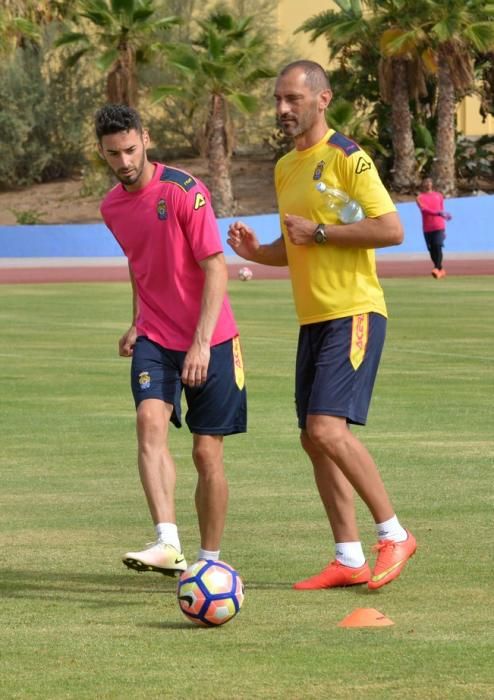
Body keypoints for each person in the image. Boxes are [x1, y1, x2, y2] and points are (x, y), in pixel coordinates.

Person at [228, 60, 416, 591]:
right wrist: (256, 252)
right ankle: (348, 556)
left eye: (293, 99)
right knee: (314, 440)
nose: (283, 109)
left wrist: (323, 234)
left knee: (327, 429)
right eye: (278, 100)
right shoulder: (286, 167)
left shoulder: (347, 158)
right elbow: (296, 247)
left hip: (353, 312)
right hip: (313, 319)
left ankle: (394, 534)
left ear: (322, 99)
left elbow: (392, 228)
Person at [95, 104, 247, 577]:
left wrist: (201, 343)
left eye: (130, 149)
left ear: (147, 138)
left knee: (207, 454)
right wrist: (136, 320)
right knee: (149, 422)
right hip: (156, 338)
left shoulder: (184, 191)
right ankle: (167, 541)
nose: (123, 161)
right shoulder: (111, 207)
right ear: (101, 152)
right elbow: (139, 262)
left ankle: (210, 564)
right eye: (112, 153)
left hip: (213, 337)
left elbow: (215, 266)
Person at [416, 177, 452, 279]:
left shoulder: (439, 196)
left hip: (439, 226)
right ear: (423, 184)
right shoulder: (420, 197)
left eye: (429, 182)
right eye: (425, 182)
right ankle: (440, 269)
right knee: (431, 250)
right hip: (427, 228)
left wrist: (444, 226)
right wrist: (438, 213)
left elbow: (441, 210)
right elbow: (424, 210)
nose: (427, 184)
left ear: (432, 184)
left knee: (438, 245)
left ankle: (436, 268)